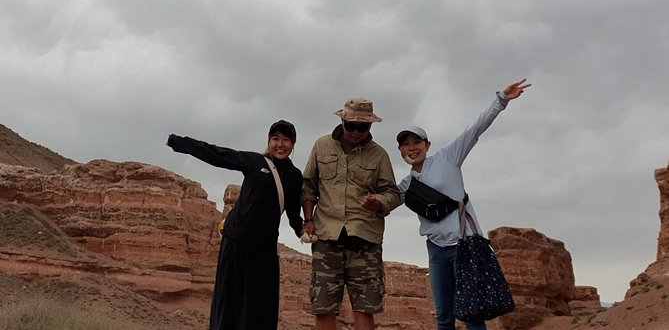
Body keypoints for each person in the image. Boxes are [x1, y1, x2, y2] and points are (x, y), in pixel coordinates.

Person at [396, 79, 531, 330]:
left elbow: (475, 128)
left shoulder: (448, 158)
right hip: (436, 250)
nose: (412, 148)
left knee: (471, 311)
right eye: (406, 144)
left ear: (427, 145)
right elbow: (385, 202)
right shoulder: (406, 185)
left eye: (417, 142)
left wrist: (501, 99)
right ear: (400, 150)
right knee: (443, 314)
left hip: (464, 245)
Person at [166, 120, 304, 330]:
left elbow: (293, 211)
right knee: (229, 298)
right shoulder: (254, 161)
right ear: (269, 141)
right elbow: (218, 155)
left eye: (286, 140)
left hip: (265, 248)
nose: (280, 144)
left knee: (262, 304)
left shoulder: (295, 176)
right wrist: (180, 143)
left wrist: (302, 229)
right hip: (236, 241)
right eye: (275, 138)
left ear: (293, 144)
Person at [301, 98, 402, 330]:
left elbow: (393, 193)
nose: (357, 132)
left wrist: (378, 202)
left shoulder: (380, 155)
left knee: (365, 309)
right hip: (327, 238)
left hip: (365, 241)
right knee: (324, 308)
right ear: (342, 121)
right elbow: (308, 186)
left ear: (370, 127)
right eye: (351, 125)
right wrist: (307, 220)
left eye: (363, 127)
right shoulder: (321, 145)